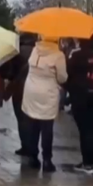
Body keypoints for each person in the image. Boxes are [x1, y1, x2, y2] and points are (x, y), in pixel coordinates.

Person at [21, 35, 68, 173]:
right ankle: (47, 160)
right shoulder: (58, 55)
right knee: (47, 127)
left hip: (31, 90)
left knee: (32, 125)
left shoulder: (35, 50)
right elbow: (62, 77)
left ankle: (33, 157)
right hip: (48, 92)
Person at [66, 36, 93, 175]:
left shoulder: (78, 55)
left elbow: (67, 75)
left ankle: (87, 163)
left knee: (86, 130)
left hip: (82, 97)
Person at [6, 33, 37, 156]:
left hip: (19, 88)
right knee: (33, 118)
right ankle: (33, 146)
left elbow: (10, 72)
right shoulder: (37, 52)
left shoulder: (17, 52)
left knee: (21, 118)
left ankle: (25, 145)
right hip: (34, 88)